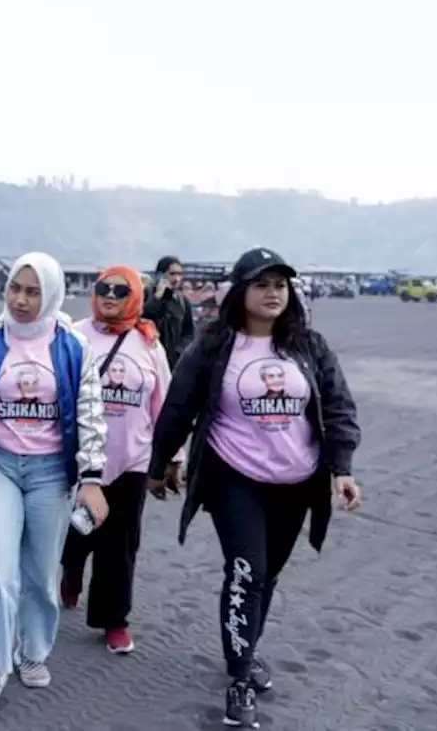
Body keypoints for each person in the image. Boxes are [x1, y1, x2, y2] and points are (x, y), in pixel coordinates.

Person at [147, 247, 362, 729]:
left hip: (297, 481)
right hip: (234, 478)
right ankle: (241, 675)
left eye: (280, 285)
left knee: (268, 577)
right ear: (241, 291)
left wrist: (341, 469)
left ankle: (244, 649)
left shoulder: (309, 345)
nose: (272, 293)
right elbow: (179, 406)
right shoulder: (215, 344)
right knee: (247, 571)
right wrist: (159, 464)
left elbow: (338, 406)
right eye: (262, 284)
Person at [0, 252, 109, 716]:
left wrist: (91, 478)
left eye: (33, 291)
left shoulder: (72, 346)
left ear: (49, 294)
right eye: (15, 288)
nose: (21, 300)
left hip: (51, 472)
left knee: (39, 575)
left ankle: (33, 650)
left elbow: (91, 415)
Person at [60, 265, 178, 653]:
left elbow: (164, 403)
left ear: (135, 297)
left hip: (133, 459)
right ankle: (71, 576)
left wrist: (171, 457)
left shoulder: (149, 344)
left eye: (120, 290)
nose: (110, 296)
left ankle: (114, 620)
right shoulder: (73, 336)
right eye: (103, 289)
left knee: (121, 543)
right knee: (77, 533)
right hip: (80, 459)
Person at [143, 255, 195, 370]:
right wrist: (157, 297)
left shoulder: (182, 301)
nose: (177, 279)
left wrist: (179, 352)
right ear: (160, 275)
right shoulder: (147, 294)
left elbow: (189, 332)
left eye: (179, 274)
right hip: (147, 358)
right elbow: (143, 317)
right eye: (172, 274)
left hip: (172, 363)